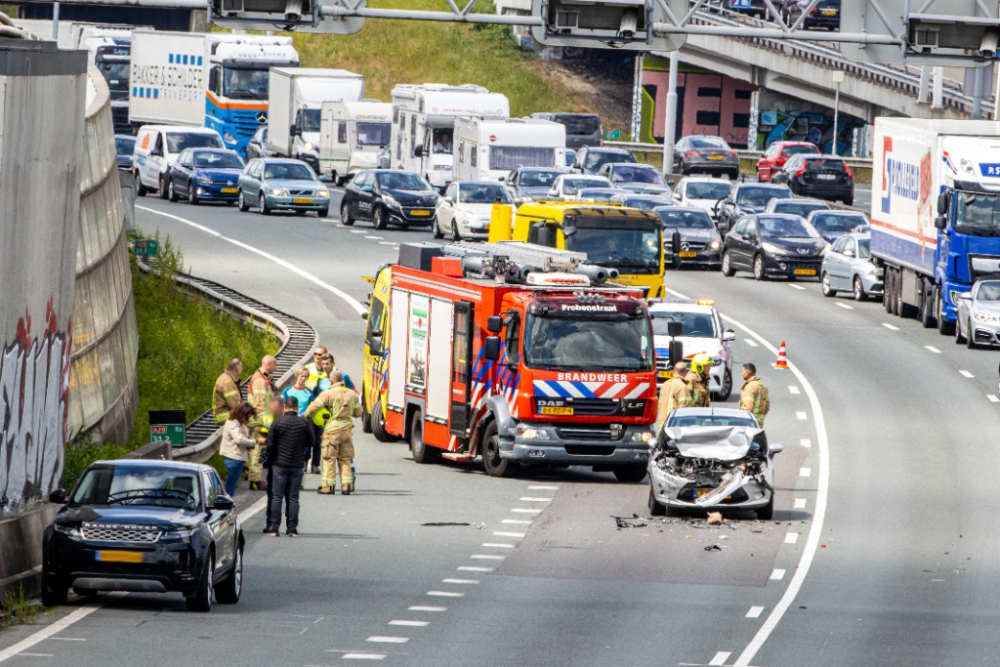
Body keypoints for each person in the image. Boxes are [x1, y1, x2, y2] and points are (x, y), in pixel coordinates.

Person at [262, 396, 314, 537]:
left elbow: (270, 445)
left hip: (280, 464)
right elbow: (311, 441)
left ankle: (273, 527)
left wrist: (268, 460)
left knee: (277, 497)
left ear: (285, 405)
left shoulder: (278, 423)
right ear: (297, 407)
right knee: (293, 498)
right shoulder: (304, 423)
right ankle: (292, 528)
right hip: (297, 464)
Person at [305, 371, 362, 495]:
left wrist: (304, 416)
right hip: (347, 431)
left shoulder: (327, 394)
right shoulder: (352, 394)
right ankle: (346, 486)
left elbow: (313, 407)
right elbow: (358, 413)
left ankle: (328, 487)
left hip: (331, 431)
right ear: (342, 380)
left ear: (331, 381)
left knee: (329, 459)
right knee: (345, 458)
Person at [247, 355, 277, 490]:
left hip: (260, 421)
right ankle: (255, 481)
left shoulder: (264, 378)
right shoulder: (259, 380)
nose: (275, 368)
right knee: (256, 452)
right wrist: (267, 423)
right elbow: (259, 405)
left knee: (257, 451)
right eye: (274, 365)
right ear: (268, 364)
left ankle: (254, 478)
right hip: (259, 422)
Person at [282, 367, 317, 471]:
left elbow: (312, 407)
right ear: (296, 377)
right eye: (301, 376)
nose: (303, 378)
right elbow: (283, 405)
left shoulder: (309, 392)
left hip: (304, 421)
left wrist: (305, 415)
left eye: (305, 377)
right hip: (290, 420)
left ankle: (304, 464)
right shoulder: (288, 390)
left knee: (305, 446)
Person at [220, 402, 256, 497]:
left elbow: (241, 436)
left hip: (236, 457)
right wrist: (254, 442)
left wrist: (248, 438)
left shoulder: (238, 422)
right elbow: (239, 439)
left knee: (231, 485)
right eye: (247, 416)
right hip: (234, 457)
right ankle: (226, 506)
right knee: (230, 488)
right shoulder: (233, 423)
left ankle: (226, 503)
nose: (247, 419)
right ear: (242, 414)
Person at [656, 361, 691, 428]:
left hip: (662, 423)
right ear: (685, 372)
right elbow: (684, 408)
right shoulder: (682, 387)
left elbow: (660, 404)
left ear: (674, 371)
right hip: (674, 425)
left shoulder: (665, 384)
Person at [213, 358, 242, 426]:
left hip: (223, 417)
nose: (242, 370)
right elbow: (234, 404)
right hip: (226, 417)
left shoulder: (226, 378)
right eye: (241, 368)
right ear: (237, 369)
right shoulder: (228, 382)